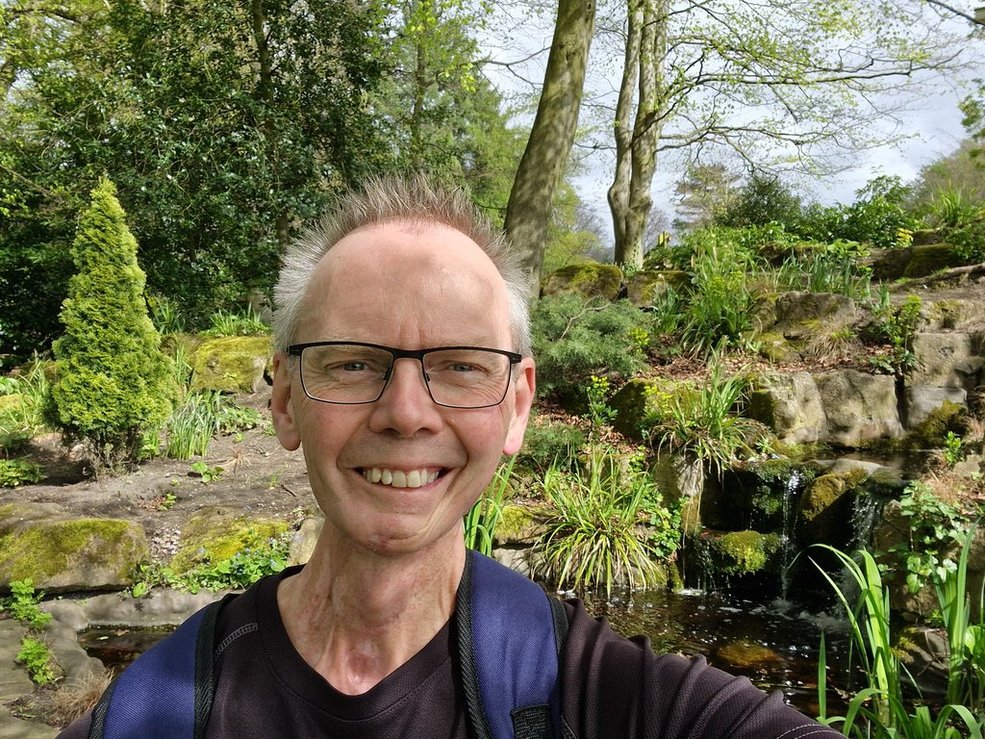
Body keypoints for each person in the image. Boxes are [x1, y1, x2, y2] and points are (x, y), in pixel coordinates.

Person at [60, 175, 841, 738]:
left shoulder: (593, 692)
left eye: (461, 365)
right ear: (286, 400)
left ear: (517, 404)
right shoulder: (160, 707)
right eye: (353, 362)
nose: (406, 413)